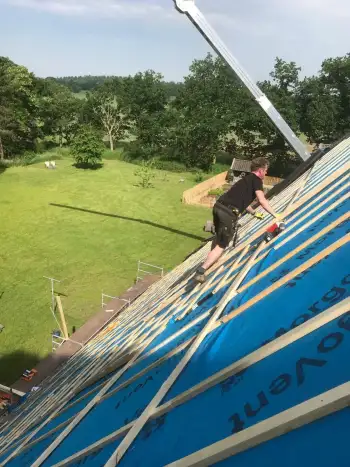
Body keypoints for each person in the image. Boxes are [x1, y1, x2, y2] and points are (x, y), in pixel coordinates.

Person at [194, 157, 282, 283]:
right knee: (222, 244)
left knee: (219, 236)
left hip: (219, 207)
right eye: (266, 170)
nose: (266, 173)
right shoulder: (256, 180)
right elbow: (262, 200)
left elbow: (243, 202)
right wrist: (276, 215)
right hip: (228, 213)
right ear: (261, 170)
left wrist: (254, 213)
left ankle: (211, 260)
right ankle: (201, 271)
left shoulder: (245, 179)